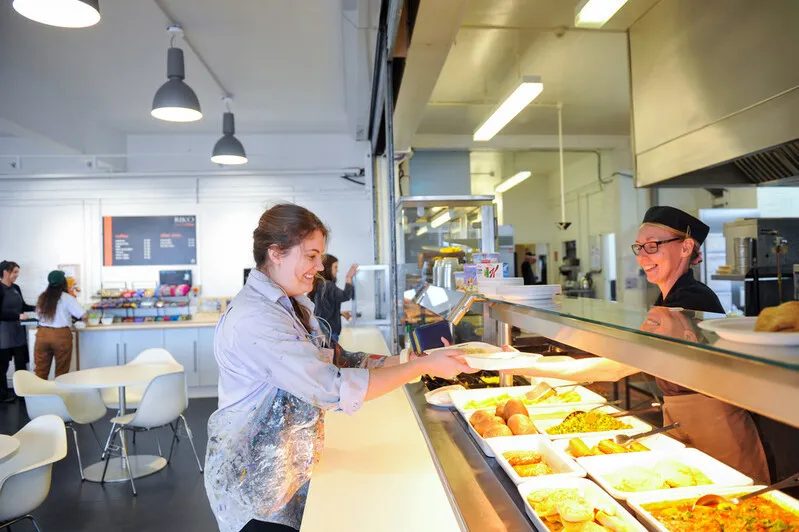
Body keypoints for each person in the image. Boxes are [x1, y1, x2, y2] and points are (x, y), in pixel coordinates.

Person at [204, 204, 476, 532]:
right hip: (256, 489)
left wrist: (407, 360)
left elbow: (339, 359)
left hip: (288, 472)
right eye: (311, 255)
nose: (319, 266)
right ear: (276, 253)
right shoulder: (256, 319)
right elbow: (331, 386)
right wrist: (422, 369)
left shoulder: (289, 304)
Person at [505, 206, 770, 483]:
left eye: (652, 246)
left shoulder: (691, 301)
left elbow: (615, 368)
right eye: (639, 247)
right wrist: (530, 364)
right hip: (685, 418)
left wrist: (528, 365)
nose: (642, 256)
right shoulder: (668, 300)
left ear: (686, 247)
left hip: (717, 427)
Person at [34, 270, 87, 380]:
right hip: (61, 336)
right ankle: (59, 396)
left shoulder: (42, 297)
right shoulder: (67, 298)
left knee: (40, 371)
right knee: (62, 372)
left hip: (43, 334)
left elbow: (37, 316)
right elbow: (83, 315)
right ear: (64, 283)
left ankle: (38, 395)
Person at [0, 260, 35, 402]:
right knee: (2, 366)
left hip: (18, 332)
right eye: (14, 272)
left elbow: (23, 306)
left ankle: (22, 391)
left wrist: (36, 307)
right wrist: (16, 316)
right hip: (3, 334)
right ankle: (3, 395)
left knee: (21, 363)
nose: (17, 275)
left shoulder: (16, 288)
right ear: (5, 273)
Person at [308, 254, 356, 341]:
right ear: (327, 268)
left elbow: (323, 311)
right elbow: (345, 296)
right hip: (329, 333)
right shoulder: (328, 285)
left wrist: (340, 313)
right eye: (335, 267)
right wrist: (348, 277)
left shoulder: (319, 284)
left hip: (322, 332)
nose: (337, 271)